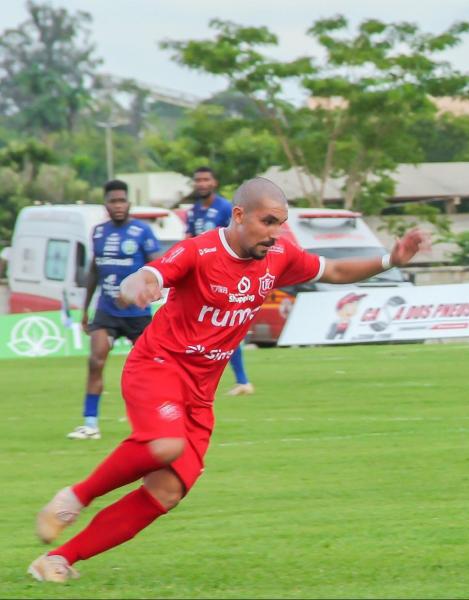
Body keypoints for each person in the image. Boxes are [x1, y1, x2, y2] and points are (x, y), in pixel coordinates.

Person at [28, 177, 427, 583]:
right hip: (158, 366)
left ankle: (58, 559)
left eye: (280, 224)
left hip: (200, 395)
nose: (274, 233)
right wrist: (136, 285)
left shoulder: (278, 256)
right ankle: (74, 498)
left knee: (167, 492)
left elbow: (335, 269)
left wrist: (390, 259)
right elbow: (151, 274)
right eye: (267, 221)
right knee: (165, 445)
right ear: (239, 215)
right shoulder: (199, 252)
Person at [66, 180, 160, 440]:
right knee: (95, 361)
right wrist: (85, 310)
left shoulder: (143, 232)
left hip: (138, 316)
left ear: (129, 203)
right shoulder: (98, 233)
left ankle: (154, 421)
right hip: (106, 312)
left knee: (150, 370)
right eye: (113, 201)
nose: (118, 205)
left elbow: (159, 270)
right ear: (105, 205)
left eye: (122, 200)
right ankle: (90, 424)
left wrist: (138, 295)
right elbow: (94, 271)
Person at [186, 166, 252, 396]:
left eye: (206, 179)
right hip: (201, 277)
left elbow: (237, 237)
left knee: (223, 327)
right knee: (214, 328)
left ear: (214, 183)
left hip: (223, 275)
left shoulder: (225, 208)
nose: (202, 183)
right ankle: (239, 380)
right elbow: (190, 241)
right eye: (198, 180)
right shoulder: (193, 211)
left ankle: (240, 380)